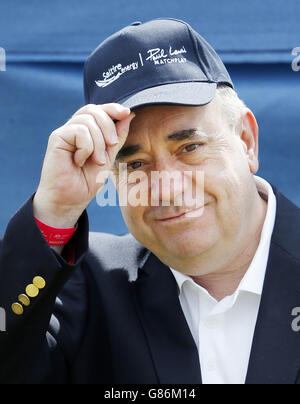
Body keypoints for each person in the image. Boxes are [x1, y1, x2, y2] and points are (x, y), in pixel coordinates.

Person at [0, 18, 300, 385]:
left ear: (246, 141)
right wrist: (55, 211)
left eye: (189, 147)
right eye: (136, 164)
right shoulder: (86, 289)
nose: (168, 188)